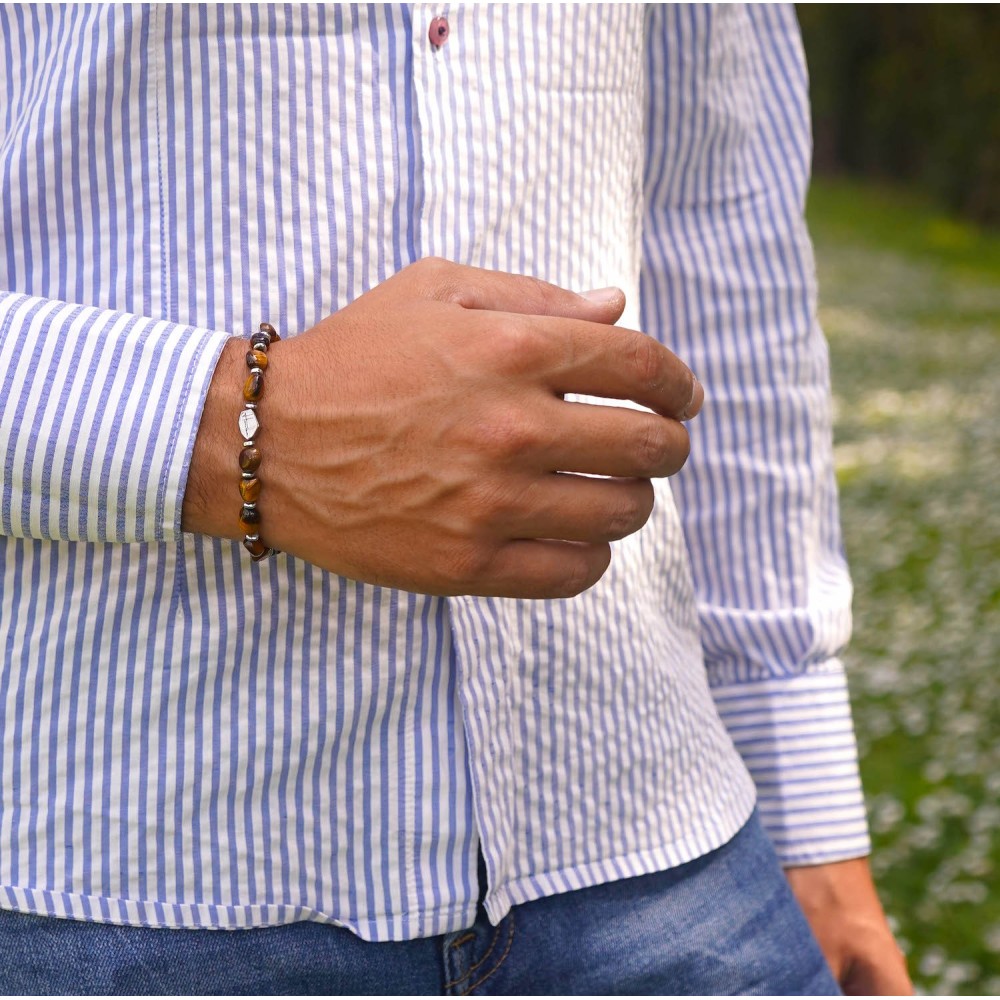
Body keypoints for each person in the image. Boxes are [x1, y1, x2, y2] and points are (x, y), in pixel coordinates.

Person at [0, 4, 911, 994]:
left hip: (667, 851)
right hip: (112, 882)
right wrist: (247, 428)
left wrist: (806, 807)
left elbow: (722, 229)